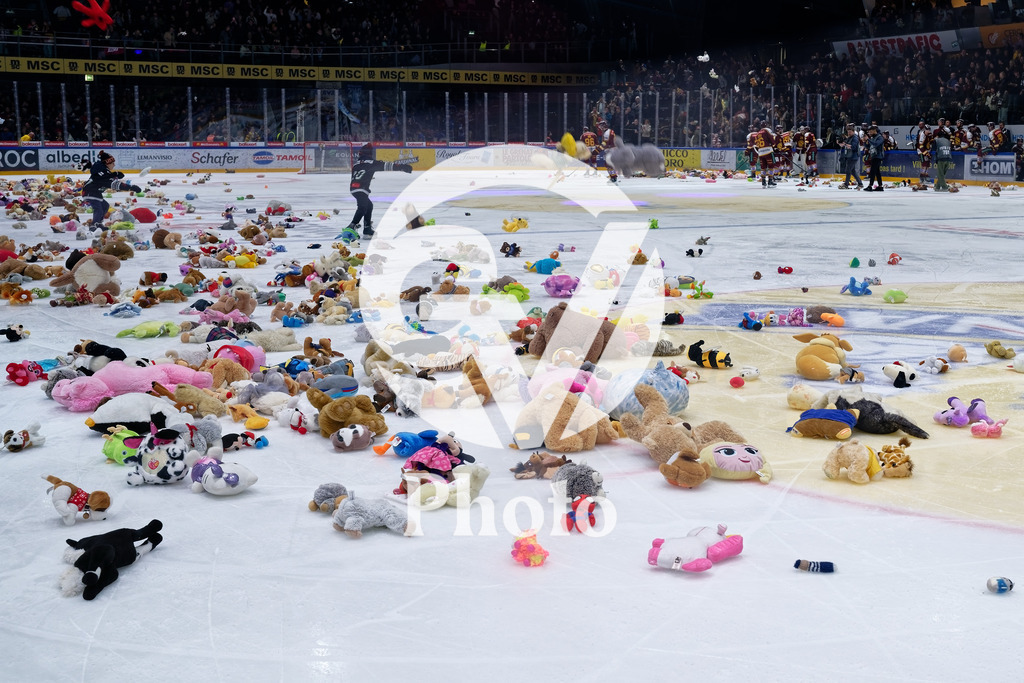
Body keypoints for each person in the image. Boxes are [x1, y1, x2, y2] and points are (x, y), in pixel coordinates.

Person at [343, 143, 412, 238]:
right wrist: (402, 167)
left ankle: (367, 229)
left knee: (368, 205)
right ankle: (351, 226)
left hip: (353, 188)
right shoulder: (371, 163)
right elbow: (387, 165)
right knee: (362, 207)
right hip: (361, 188)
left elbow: (361, 173)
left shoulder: (356, 164)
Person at [80, 151, 140, 231]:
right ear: (107, 163)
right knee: (98, 208)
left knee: (105, 206)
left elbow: (107, 176)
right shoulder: (102, 174)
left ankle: (98, 224)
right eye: (112, 163)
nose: (114, 165)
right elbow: (113, 184)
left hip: (94, 192)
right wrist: (131, 187)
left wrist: (115, 174)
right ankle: (94, 226)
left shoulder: (103, 172)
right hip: (90, 192)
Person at [839, 124, 863, 190]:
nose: (849, 133)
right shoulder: (850, 137)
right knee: (852, 171)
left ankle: (846, 184)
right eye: (848, 132)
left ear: (853, 131)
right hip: (850, 156)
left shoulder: (855, 138)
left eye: (850, 132)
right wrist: (843, 144)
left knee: (848, 170)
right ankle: (860, 183)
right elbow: (847, 144)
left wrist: (846, 145)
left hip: (853, 156)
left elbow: (854, 147)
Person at [931, 126, 954, 192]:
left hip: (941, 158)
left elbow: (933, 148)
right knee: (942, 174)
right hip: (948, 158)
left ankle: (945, 187)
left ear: (938, 136)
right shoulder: (948, 141)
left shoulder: (937, 140)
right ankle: (937, 186)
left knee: (940, 174)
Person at [912, 120, 932, 189]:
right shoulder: (922, 134)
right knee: (923, 164)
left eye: (929, 130)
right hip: (921, 151)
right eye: (927, 130)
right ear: (925, 130)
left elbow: (930, 143)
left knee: (927, 164)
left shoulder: (929, 134)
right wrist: (926, 153)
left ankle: (926, 176)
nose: (929, 131)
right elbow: (921, 146)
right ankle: (922, 177)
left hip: (927, 150)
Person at [864, 125, 885, 191]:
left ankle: (870, 185)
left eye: (870, 131)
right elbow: (868, 147)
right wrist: (865, 142)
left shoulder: (880, 137)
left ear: (874, 130)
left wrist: (868, 139)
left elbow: (876, 144)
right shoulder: (872, 138)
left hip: (878, 156)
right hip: (873, 156)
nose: (869, 133)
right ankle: (880, 186)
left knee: (873, 171)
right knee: (877, 172)